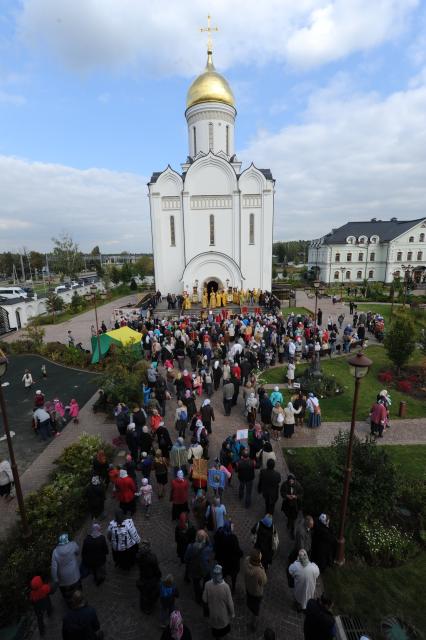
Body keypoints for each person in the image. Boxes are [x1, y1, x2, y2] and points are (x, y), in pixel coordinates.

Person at [203, 564, 235, 638]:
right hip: (223, 615)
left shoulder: (207, 584)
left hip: (213, 613)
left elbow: (204, 599)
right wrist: (232, 613)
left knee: (215, 630)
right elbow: (230, 603)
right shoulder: (226, 587)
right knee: (223, 629)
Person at [185, 529, 214, 605]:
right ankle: (205, 594)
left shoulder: (190, 547)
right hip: (204, 568)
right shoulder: (207, 548)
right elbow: (211, 547)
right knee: (207, 580)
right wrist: (207, 538)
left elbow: (186, 558)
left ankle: (198, 598)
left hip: (194, 568)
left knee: (196, 584)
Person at [213, 521, 243, 594]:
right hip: (232, 563)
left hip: (223, 561)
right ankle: (233, 588)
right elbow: (237, 550)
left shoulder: (220, 533)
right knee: (233, 577)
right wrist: (241, 554)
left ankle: (221, 586)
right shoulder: (233, 538)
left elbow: (216, 546)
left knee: (223, 574)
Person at [51, 533, 81, 601]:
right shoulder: (73, 545)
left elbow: (54, 568)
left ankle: (70, 604)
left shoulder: (55, 552)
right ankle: (79, 601)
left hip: (63, 580)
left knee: (67, 595)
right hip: (75, 574)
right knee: (78, 590)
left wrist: (55, 579)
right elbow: (77, 552)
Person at [243, 548, 267, 632]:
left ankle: (249, 605)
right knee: (256, 609)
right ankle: (253, 624)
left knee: (249, 598)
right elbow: (264, 582)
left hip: (248, 587)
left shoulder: (246, 561)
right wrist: (262, 568)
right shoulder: (259, 571)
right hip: (256, 592)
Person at [136, 540, 162, 614]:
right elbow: (156, 569)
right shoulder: (152, 557)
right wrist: (158, 575)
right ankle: (149, 606)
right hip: (151, 578)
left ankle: (144, 607)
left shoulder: (138, 556)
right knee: (151, 592)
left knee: (143, 594)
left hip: (143, 576)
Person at [280, 473, 303, 539]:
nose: (291, 482)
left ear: (294, 480)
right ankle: (289, 521)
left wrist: (296, 496)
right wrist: (287, 496)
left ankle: (292, 531)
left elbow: (301, 493)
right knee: (288, 515)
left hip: (295, 505)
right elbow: (282, 492)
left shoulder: (298, 485)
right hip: (287, 504)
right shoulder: (285, 484)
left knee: (294, 519)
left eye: (292, 481)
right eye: (290, 481)